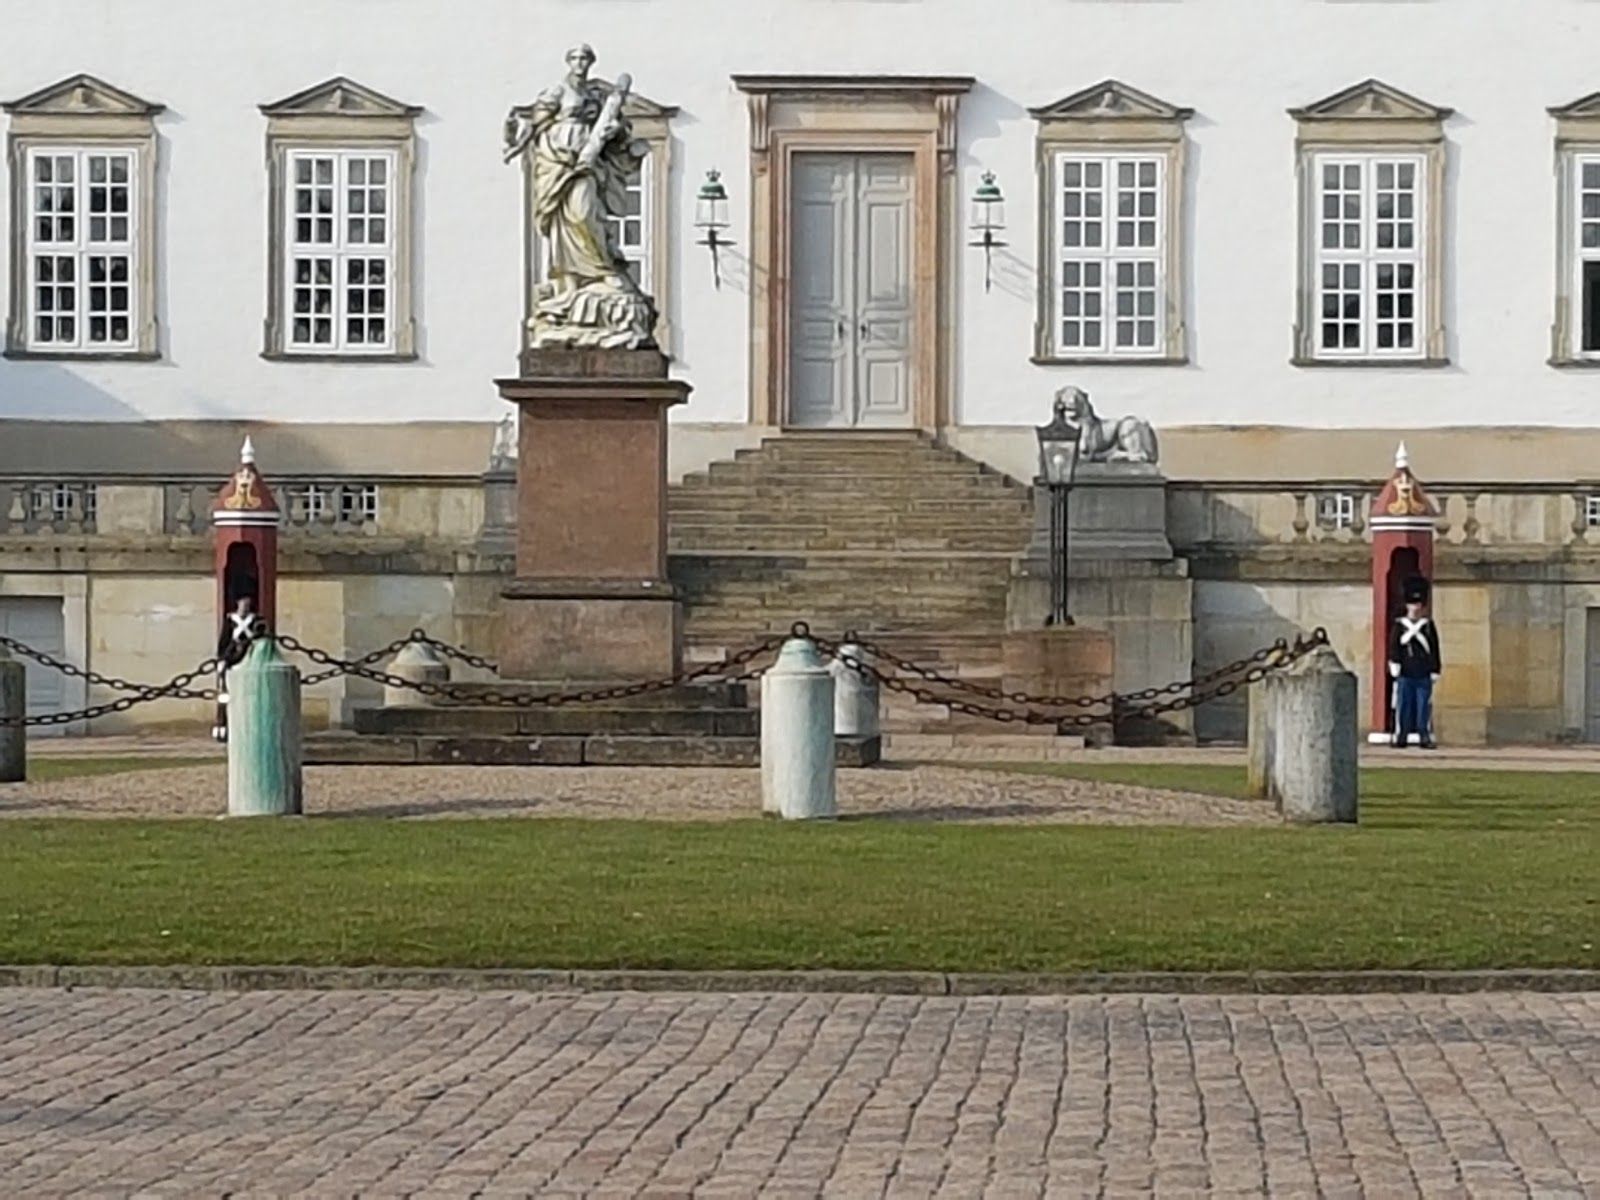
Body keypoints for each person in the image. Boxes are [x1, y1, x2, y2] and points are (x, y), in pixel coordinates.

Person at [1387, 576, 1441, 749]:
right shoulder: (1400, 626)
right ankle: (1400, 735)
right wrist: (1394, 663)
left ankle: (1423, 735)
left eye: (1418, 604)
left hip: (1423, 673)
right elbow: (1394, 646)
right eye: (1413, 604)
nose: (1416, 608)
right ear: (1407, 605)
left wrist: (1435, 668)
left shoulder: (1427, 626)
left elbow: (1434, 648)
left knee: (1423, 707)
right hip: (1405, 673)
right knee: (1403, 706)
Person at [213, 595, 267, 742]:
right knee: (224, 694)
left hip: (250, 660)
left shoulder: (256, 621)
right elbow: (224, 640)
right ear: (238, 603)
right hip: (231, 660)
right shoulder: (230, 620)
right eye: (243, 603)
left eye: (248, 603)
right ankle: (222, 725)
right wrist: (221, 659)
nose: (245, 606)